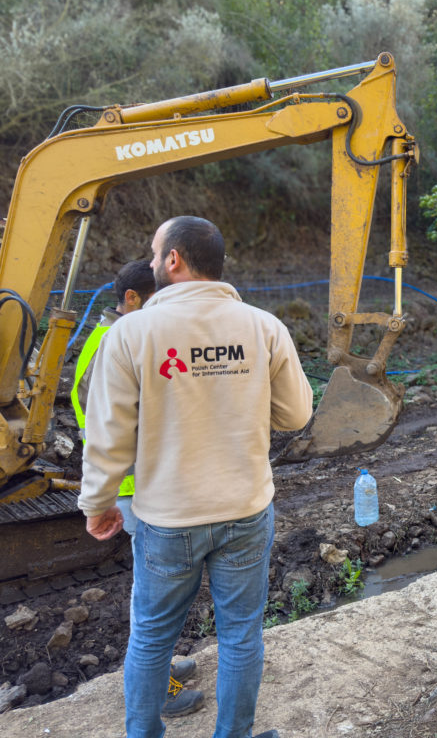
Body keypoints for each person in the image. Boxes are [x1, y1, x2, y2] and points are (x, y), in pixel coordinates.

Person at [78, 216, 313, 738]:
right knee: (241, 636)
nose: (152, 261)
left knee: (151, 639)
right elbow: (296, 415)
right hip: (245, 510)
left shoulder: (130, 333)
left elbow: (108, 435)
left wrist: (97, 503)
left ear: (173, 259)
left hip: (168, 517)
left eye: (154, 253)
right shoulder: (264, 327)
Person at [71, 260, 204, 717]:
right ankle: (156, 688)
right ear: (132, 299)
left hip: (136, 481)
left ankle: (159, 667)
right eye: (156, 298)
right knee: (151, 596)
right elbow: (112, 427)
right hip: (133, 485)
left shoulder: (116, 336)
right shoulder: (116, 341)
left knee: (155, 591)